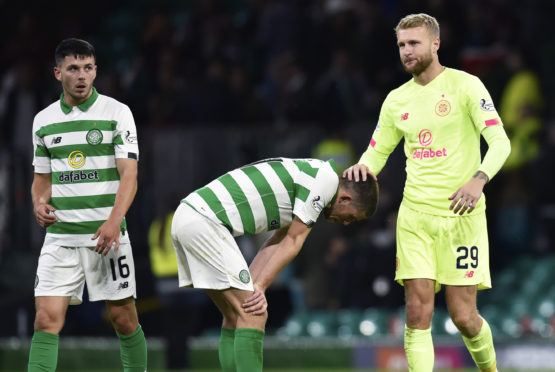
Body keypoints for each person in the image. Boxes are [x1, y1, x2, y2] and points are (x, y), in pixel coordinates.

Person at [344, 14, 510, 372]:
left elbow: (500, 142)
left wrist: (478, 179)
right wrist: (363, 166)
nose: (406, 51)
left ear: (435, 43)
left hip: (462, 217)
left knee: (464, 316)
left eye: (414, 43)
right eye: (402, 45)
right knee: (417, 312)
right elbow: (377, 151)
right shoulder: (396, 100)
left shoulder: (466, 86)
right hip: (415, 217)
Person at [171, 157, 378, 372]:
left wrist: (255, 283)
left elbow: (278, 240)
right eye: (351, 217)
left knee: (236, 315)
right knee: (254, 314)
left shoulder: (311, 181)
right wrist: (259, 288)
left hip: (190, 216)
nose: (345, 222)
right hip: (205, 222)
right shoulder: (324, 181)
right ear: (345, 198)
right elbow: (294, 240)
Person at [28, 38, 147, 372]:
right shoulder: (43, 121)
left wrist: (114, 222)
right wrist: (39, 203)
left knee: (123, 319)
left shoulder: (117, 113)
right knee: (45, 319)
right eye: (73, 68)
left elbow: (130, 176)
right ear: (58, 73)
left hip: (106, 236)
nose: (82, 75)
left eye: (88, 68)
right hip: (61, 237)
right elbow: (42, 178)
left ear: (96, 70)